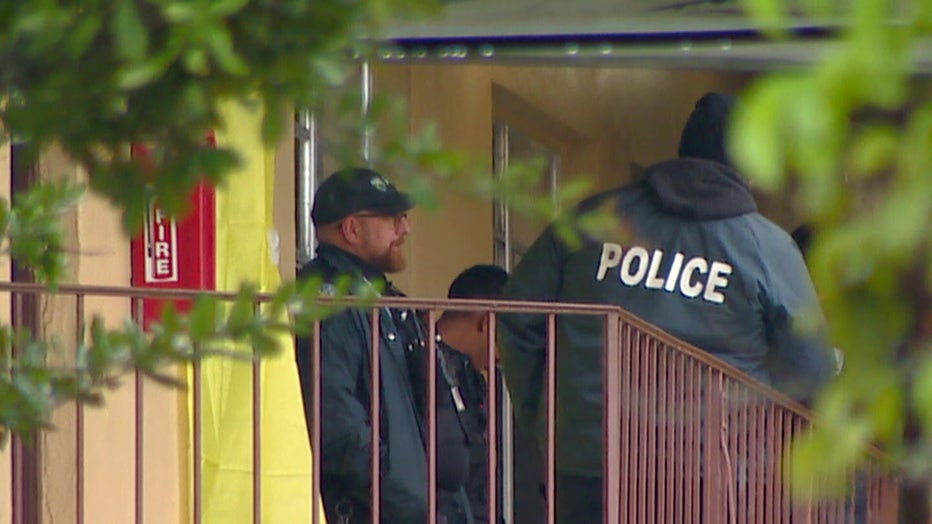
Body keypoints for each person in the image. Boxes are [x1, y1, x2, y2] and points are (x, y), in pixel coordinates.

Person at [497, 92, 836, 522]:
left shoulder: (592, 220)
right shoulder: (767, 248)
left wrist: (547, 421)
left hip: (592, 467)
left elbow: (516, 317)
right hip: (717, 474)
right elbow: (811, 371)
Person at [295, 167, 470, 523]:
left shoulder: (382, 299)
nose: (404, 229)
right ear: (352, 229)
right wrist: (406, 500)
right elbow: (339, 430)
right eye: (392, 219)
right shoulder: (327, 302)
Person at [435, 264, 509, 524]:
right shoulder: (418, 369)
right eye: (511, 336)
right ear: (488, 323)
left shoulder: (470, 377)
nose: (506, 355)